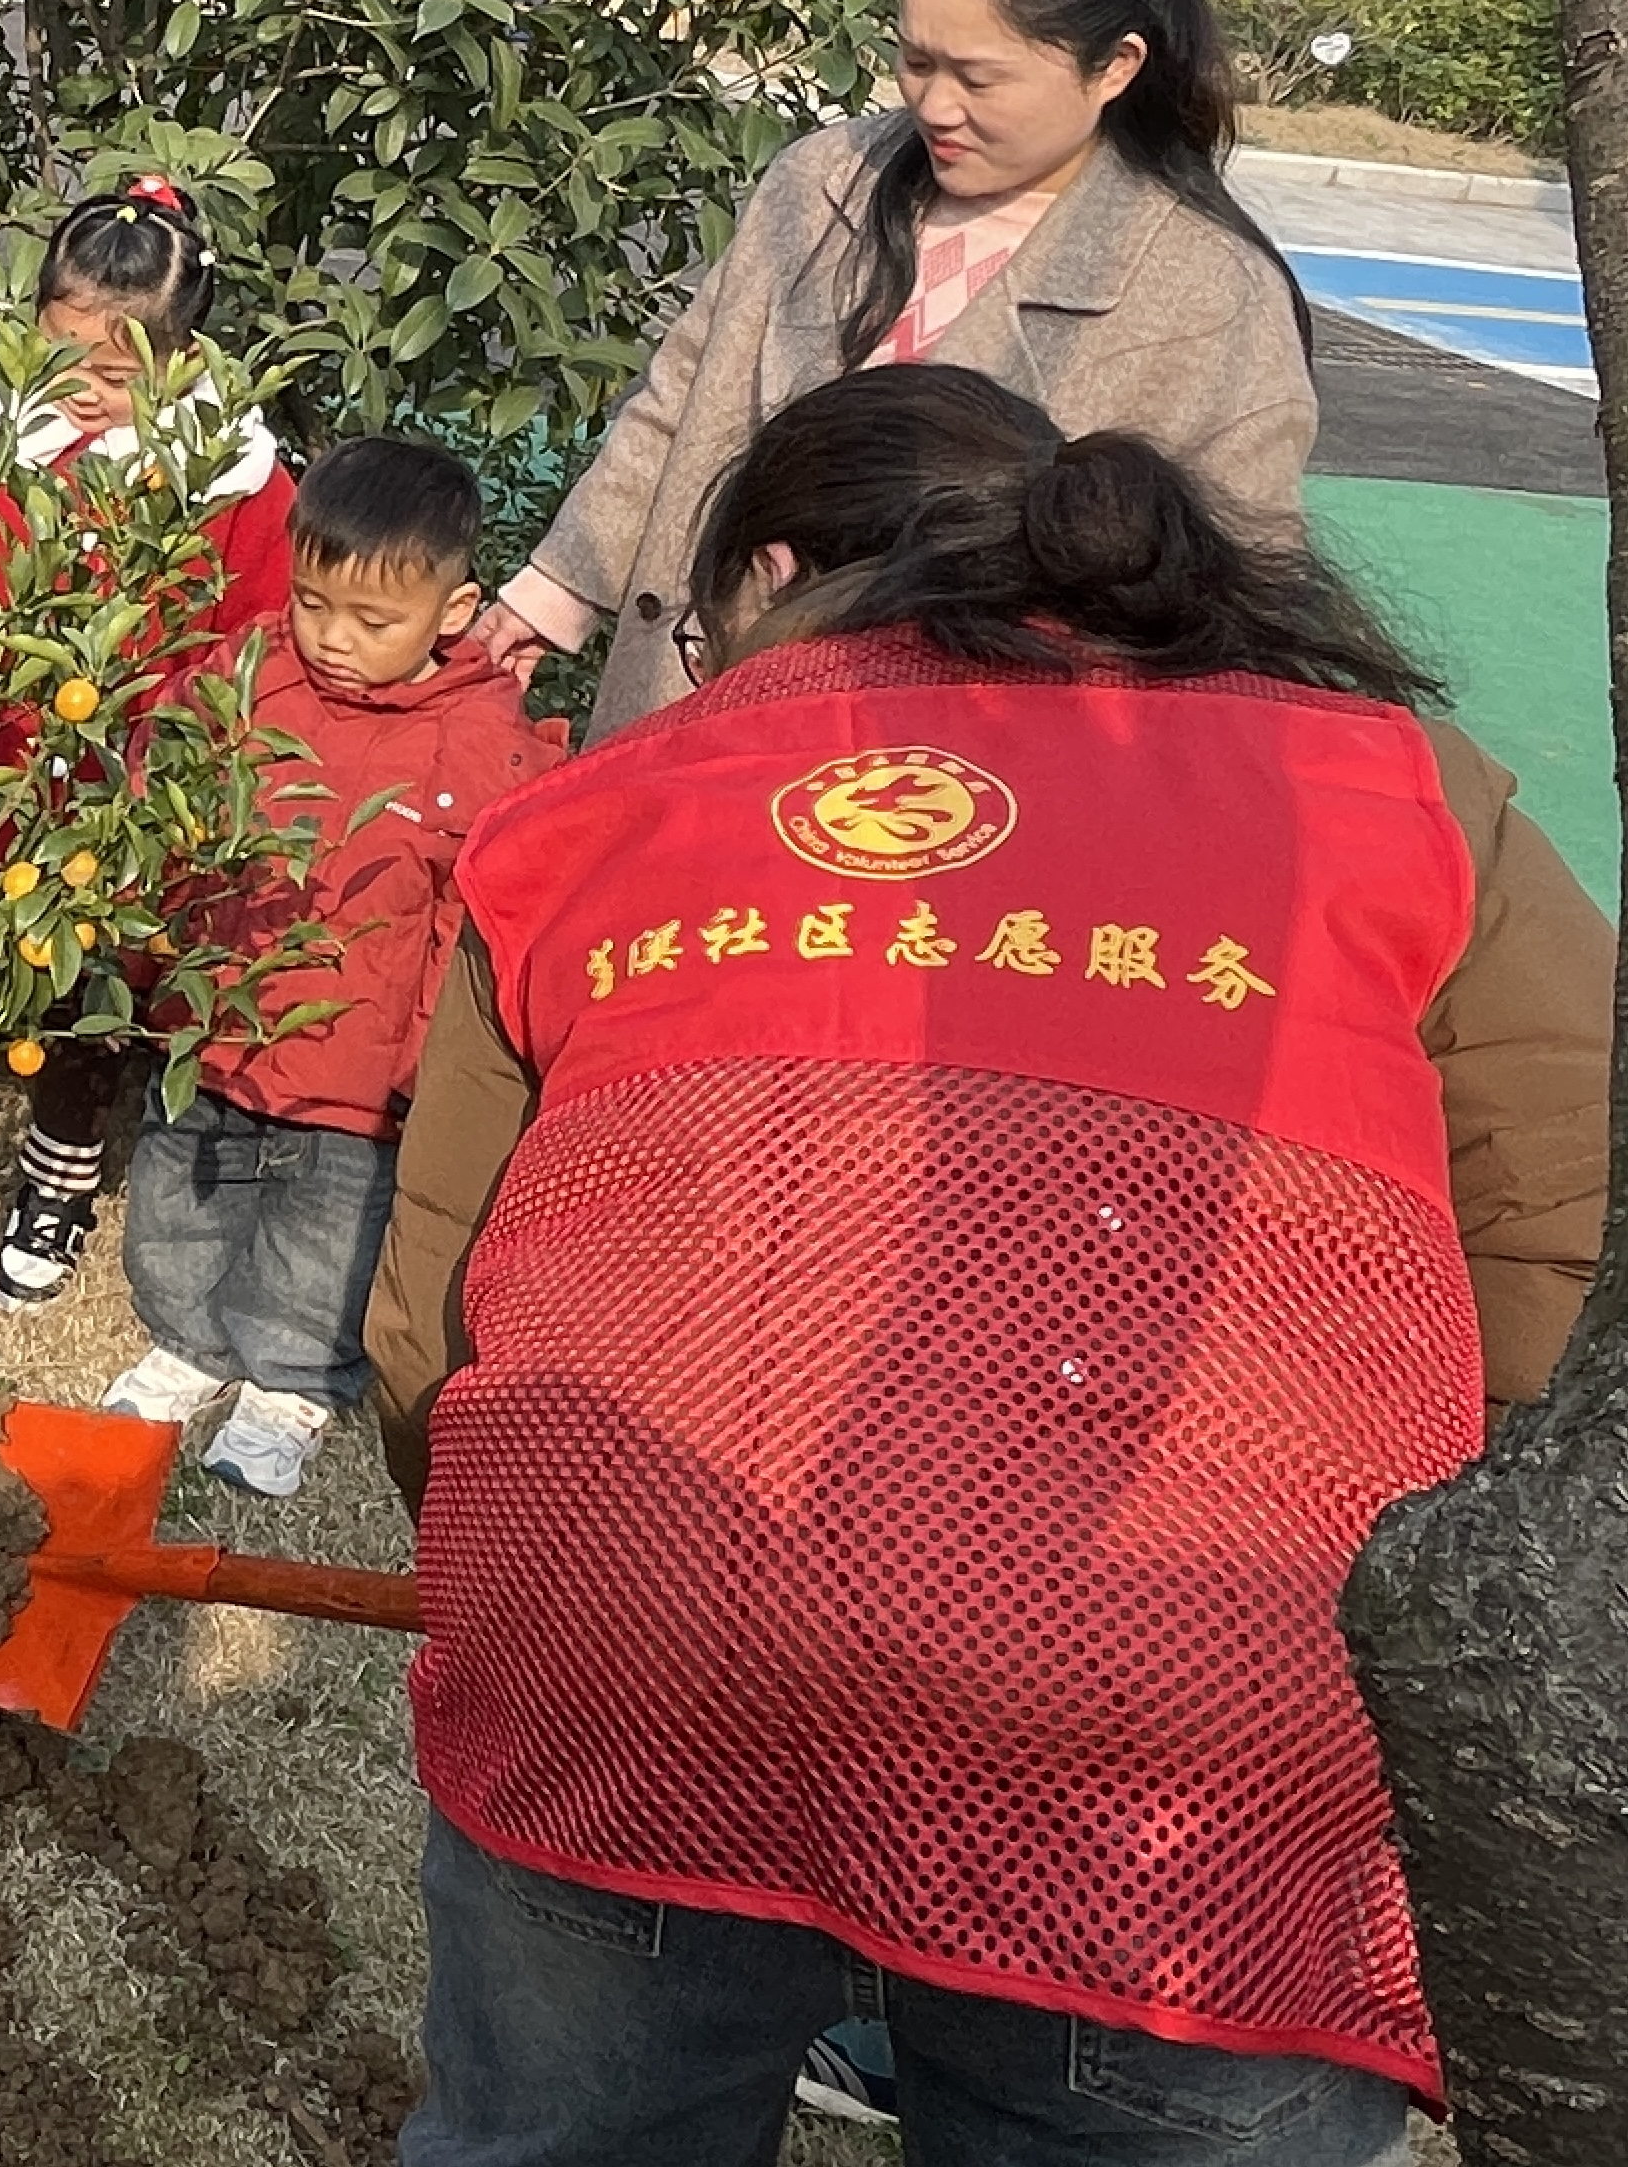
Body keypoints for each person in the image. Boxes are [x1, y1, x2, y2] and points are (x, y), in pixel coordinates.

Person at [367, 365, 1609, 2164]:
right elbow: (1550, 1259)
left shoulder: (605, 799)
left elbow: (441, 1304)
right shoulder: (1407, 793)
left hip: (624, 1626)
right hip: (1189, 1718)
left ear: (772, 575)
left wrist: (509, 1556)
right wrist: (1394, 1566)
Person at [477, 0, 1314, 734]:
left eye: (979, 78)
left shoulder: (1210, 294)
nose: (936, 106)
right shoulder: (825, 178)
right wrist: (557, 590)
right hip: (697, 708)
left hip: (955, 774)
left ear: (1114, 67)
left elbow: (1238, 601)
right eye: (917, 61)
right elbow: (689, 392)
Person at [98, 438, 563, 1497]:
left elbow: (468, 921)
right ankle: (189, 1344)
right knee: (182, 1198)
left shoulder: (479, 742)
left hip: (358, 1072)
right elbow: (162, 783)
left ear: (454, 611)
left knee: (326, 1240)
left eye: (372, 620)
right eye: (314, 605)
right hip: (218, 1026)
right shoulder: (249, 674)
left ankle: (294, 1383)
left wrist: (425, 1064)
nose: (335, 640)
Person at [0, 180, 293, 1293]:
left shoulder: (230, 479)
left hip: (129, 786)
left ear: (184, 360)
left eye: (118, 374)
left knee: (94, 986)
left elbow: (253, 633)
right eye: (64, 355)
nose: (84, 391)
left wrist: (187, 744)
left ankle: (60, 1170)